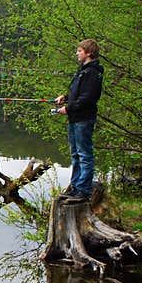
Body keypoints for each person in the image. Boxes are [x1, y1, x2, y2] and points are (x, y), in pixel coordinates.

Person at [54, 39, 104, 203]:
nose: (77, 53)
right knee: (75, 155)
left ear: (88, 53)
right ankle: (75, 187)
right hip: (75, 118)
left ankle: (83, 191)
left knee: (84, 155)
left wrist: (68, 108)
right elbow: (78, 94)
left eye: (79, 51)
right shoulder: (83, 70)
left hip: (83, 119)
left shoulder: (92, 72)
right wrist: (65, 98)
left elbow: (88, 98)